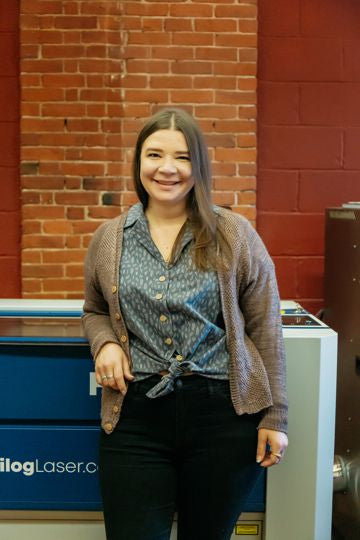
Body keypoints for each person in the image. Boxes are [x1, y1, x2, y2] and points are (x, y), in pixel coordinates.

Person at [82, 107, 288, 540]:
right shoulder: (109, 238)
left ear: (199, 166)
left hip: (223, 416)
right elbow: (94, 309)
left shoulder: (235, 234)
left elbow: (265, 327)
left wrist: (276, 417)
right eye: (154, 155)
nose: (167, 169)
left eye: (182, 157)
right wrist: (105, 344)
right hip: (135, 412)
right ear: (139, 163)